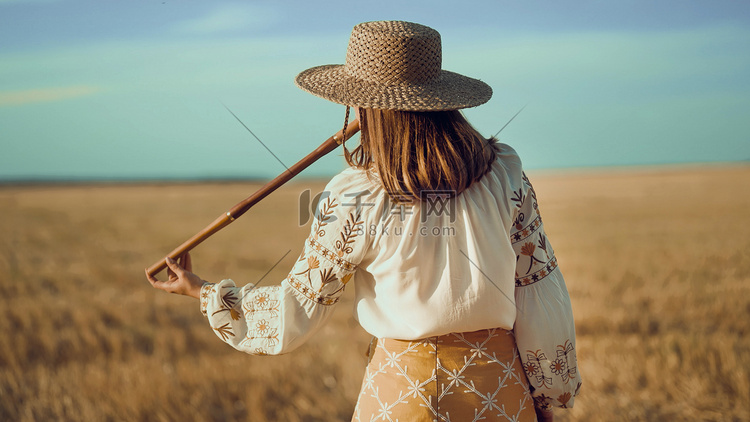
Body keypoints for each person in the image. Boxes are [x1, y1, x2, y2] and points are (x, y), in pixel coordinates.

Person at [147, 20, 581, 422]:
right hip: (500, 393)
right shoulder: (505, 175)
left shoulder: (352, 195)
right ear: (443, 99)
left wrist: (202, 291)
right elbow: (540, 295)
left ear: (366, 106)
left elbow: (293, 312)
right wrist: (547, 397)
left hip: (400, 396)